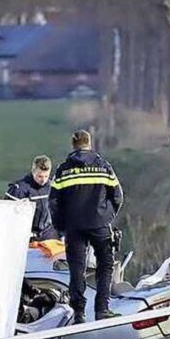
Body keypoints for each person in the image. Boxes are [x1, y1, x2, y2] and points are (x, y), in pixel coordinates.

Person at [50, 130, 123, 323]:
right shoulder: (103, 166)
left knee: (76, 269)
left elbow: (54, 202)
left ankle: (79, 314)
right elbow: (117, 196)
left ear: (73, 145)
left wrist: (60, 226)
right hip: (99, 224)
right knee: (105, 265)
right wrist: (106, 216)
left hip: (73, 227)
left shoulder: (63, 169)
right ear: (89, 143)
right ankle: (102, 309)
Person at [5, 155, 58, 241]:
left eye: (46, 176)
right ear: (33, 171)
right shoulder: (20, 189)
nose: (43, 180)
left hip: (48, 233)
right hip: (27, 236)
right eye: (39, 176)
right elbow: (7, 215)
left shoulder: (52, 186)